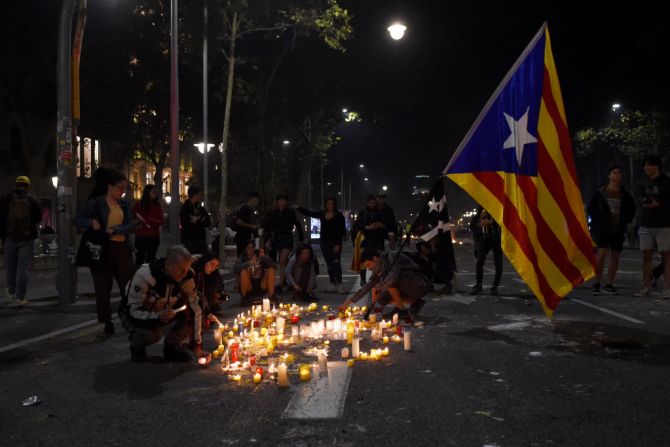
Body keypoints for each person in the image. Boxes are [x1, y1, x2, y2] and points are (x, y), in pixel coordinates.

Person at [120, 245, 208, 362]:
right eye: (181, 269)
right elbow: (133, 311)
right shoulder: (145, 276)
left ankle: (172, 347)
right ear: (168, 265)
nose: (184, 273)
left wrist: (197, 345)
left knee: (190, 311)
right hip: (138, 316)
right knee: (152, 334)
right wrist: (157, 318)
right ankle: (137, 347)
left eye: (187, 269)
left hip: (166, 312)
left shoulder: (186, 277)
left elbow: (196, 309)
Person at [74, 167, 135, 335]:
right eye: (120, 188)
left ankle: (130, 316)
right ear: (110, 186)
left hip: (121, 248)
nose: (123, 192)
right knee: (102, 286)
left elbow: (131, 225)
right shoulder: (96, 203)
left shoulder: (125, 205)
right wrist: (91, 222)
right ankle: (106, 320)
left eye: (125, 189)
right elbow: (78, 220)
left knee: (128, 286)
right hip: (102, 249)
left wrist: (116, 230)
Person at [338, 248, 430, 319]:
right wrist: (346, 303)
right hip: (407, 286)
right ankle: (415, 302)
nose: (369, 269)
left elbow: (392, 278)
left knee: (389, 283)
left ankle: (402, 311)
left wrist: (377, 287)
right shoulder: (379, 267)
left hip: (419, 284)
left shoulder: (392, 257)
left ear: (374, 258)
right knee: (381, 299)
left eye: (368, 265)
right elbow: (366, 287)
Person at [587, 165, 636, 295]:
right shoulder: (601, 192)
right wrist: (597, 222)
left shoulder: (624, 194)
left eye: (619, 173)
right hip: (602, 228)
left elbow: (631, 209)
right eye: (614, 173)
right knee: (601, 255)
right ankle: (597, 282)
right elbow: (591, 208)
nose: (617, 175)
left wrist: (624, 222)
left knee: (615, 256)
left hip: (618, 229)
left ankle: (609, 283)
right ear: (609, 175)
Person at [0, 175, 42, 305]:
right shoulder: (32, 200)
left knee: (10, 267)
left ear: (16, 184)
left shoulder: (6, 198)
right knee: (23, 268)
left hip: (9, 237)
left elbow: (1, 219)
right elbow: (38, 219)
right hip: (26, 238)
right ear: (28, 186)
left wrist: (3, 237)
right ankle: (20, 297)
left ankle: (11, 290)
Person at [294, 196, 347, 293]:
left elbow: (341, 231)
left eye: (331, 203)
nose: (329, 205)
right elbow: (310, 213)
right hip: (324, 242)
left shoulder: (339, 216)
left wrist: (338, 244)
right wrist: (299, 208)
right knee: (329, 264)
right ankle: (332, 283)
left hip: (335, 243)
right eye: (328, 203)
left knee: (336, 262)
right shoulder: (322, 214)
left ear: (334, 204)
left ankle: (339, 283)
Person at [635, 155, 670, 298]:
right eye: (645, 165)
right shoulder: (643, 182)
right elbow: (639, 197)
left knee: (666, 257)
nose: (646, 168)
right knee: (646, 256)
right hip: (645, 223)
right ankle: (646, 287)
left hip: (664, 224)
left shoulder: (666, 182)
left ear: (657, 166)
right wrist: (643, 203)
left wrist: (659, 204)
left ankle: (667, 289)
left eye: (649, 165)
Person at [263, 193, 304, 292]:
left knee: (282, 260)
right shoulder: (275, 213)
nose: (281, 202)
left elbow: (297, 224)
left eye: (283, 200)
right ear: (277, 202)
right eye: (279, 200)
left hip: (287, 238)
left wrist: (301, 238)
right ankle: (285, 281)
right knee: (282, 262)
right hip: (277, 239)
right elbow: (268, 226)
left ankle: (281, 282)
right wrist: (268, 239)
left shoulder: (290, 212)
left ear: (286, 202)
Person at [353, 195, 386, 286]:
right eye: (370, 203)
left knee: (377, 260)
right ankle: (363, 279)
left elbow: (385, 225)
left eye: (374, 203)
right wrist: (367, 227)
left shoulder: (379, 213)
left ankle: (375, 278)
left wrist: (380, 225)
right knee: (364, 259)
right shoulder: (363, 212)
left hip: (377, 239)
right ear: (367, 203)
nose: (372, 205)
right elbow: (358, 225)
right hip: (366, 238)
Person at [469, 207, 502, 296]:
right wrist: (480, 223)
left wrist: (491, 222)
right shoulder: (481, 210)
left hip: (497, 239)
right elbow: (473, 225)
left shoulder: (497, 206)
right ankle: (479, 285)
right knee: (479, 261)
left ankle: (495, 287)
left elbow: (503, 220)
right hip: (485, 239)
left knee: (498, 263)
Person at [234, 240, 277, 305]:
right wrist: (249, 263)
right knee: (243, 271)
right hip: (249, 285)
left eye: (252, 247)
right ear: (245, 250)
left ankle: (271, 295)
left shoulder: (259, 255)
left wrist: (264, 257)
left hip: (261, 284)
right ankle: (244, 297)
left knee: (271, 270)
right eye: (249, 248)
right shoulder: (242, 258)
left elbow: (274, 266)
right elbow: (236, 269)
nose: (251, 250)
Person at [132, 184, 164, 266]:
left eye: (156, 192)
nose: (155, 194)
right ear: (147, 192)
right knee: (139, 259)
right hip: (141, 236)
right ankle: (139, 276)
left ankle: (149, 277)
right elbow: (132, 216)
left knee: (151, 260)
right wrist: (138, 221)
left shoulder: (157, 205)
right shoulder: (139, 204)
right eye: (153, 192)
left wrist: (151, 220)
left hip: (153, 236)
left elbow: (161, 220)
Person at [193, 251, 228, 315]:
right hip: (196, 302)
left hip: (210, 301)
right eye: (212, 264)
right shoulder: (196, 273)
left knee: (224, 297)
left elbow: (221, 287)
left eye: (216, 266)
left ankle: (213, 306)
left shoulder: (215, 274)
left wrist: (219, 294)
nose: (213, 268)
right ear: (205, 262)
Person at [180, 185, 211, 256]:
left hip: (201, 239)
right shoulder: (185, 208)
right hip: (190, 239)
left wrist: (197, 221)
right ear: (195, 195)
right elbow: (186, 223)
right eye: (200, 194)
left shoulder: (200, 208)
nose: (201, 196)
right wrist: (200, 220)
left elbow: (208, 222)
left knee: (203, 258)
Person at [233, 192, 260, 256]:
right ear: (253, 199)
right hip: (242, 238)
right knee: (242, 257)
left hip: (246, 237)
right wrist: (251, 226)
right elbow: (238, 221)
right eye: (257, 200)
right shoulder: (245, 208)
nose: (258, 202)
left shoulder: (251, 209)